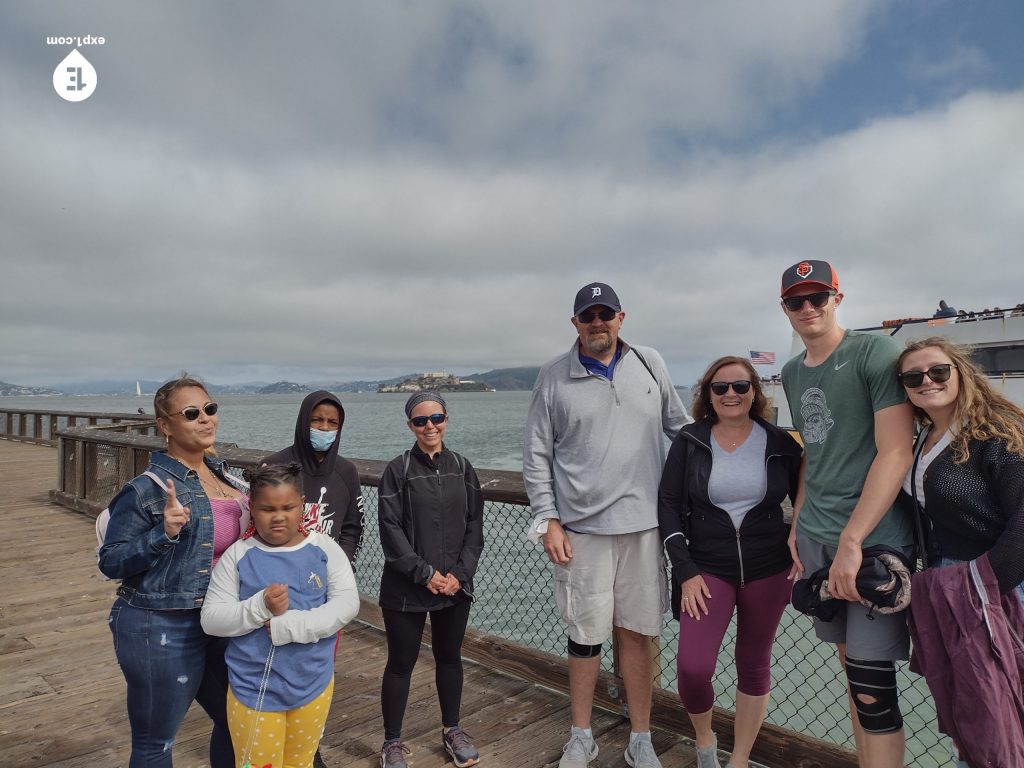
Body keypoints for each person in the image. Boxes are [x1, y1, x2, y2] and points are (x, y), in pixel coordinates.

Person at [523, 282, 690, 768]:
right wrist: (547, 519)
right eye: (588, 315)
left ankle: (641, 737)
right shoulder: (553, 376)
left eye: (606, 314)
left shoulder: (650, 363)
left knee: (638, 633)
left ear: (622, 317)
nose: (598, 322)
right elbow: (537, 455)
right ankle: (582, 735)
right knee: (585, 637)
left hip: (644, 528)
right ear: (574, 323)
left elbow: (680, 432)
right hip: (581, 532)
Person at [779, 260, 915, 768]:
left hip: (873, 541)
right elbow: (814, 450)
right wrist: (798, 517)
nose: (809, 308)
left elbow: (896, 451)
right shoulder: (792, 372)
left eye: (819, 297)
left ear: (839, 298)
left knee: (872, 689)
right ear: (786, 308)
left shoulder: (873, 352)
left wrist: (853, 542)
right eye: (797, 300)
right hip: (817, 537)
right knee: (850, 675)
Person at [658, 356, 801, 768]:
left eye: (740, 386)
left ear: (755, 391)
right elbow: (668, 506)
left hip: (769, 568)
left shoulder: (780, 443)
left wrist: (803, 537)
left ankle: (739, 758)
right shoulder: (690, 440)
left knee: (754, 663)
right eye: (720, 388)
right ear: (708, 394)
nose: (730, 395)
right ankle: (705, 740)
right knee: (693, 667)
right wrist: (684, 571)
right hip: (706, 569)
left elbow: (810, 493)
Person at [99, 375, 249, 767]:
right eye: (191, 413)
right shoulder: (146, 489)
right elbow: (111, 561)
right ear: (165, 425)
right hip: (160, 625)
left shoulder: (227, 476)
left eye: (210, 409)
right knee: (156, 744)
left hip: (219, 620)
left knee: (240, 721)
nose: (205, 419)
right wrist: (162, 533)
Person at [896, 337, 1024, 766]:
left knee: (1001, 710)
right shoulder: (922, 439)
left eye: (938, 371)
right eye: (913, 377)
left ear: (960, 371)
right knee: (973, 715)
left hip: (1001, 584)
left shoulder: (997, 431)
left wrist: (980, 590)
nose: (926, 381)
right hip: (949, 585)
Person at [201, 462, 360, 768]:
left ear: (302, 504)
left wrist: (290, 626)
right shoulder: (238, 555)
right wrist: (259, 607)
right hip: (254, 693)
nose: (278, 517)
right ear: (251, 507)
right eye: (266, 509)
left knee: (300, 762)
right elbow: (212, 618)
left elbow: (346, 605)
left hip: (314, 686)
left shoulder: (325, 548)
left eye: (288, 507)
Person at [376, 392, 485, 768]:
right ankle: (392, 742)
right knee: (400, 663)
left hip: (454, 585)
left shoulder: (462, 466)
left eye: (436, 417)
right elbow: (390, 530)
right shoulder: (398, 469)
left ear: (446, 419)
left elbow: (475, 526)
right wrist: (425, 574)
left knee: (450, 658)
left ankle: (452, 729)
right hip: (406, 587)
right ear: (410, 426)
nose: (430, 426)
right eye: (420, 420)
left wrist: (459, 574)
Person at [262, 390, 363, 566]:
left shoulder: (347, 472)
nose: (324, 428)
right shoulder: (273, 466)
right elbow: (256, 523)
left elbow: (353, 529)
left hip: (329, 575)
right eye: (316, 420)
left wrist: (341, 569)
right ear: (303, 422)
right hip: (279, 571)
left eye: (332, 422)